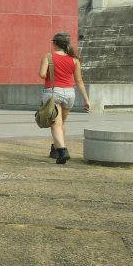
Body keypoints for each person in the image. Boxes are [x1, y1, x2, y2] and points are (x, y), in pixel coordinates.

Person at [39, 31, 91, 165]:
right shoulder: (74, 60)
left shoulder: (48, 57)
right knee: (61, 123)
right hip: (69, 94)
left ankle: (62, 151)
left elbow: (42, 74)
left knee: (55, 124)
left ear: (55, 43)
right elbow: (79, 81)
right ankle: (55, 149)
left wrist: (49, 71)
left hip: (53, 93)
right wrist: (86, 99)